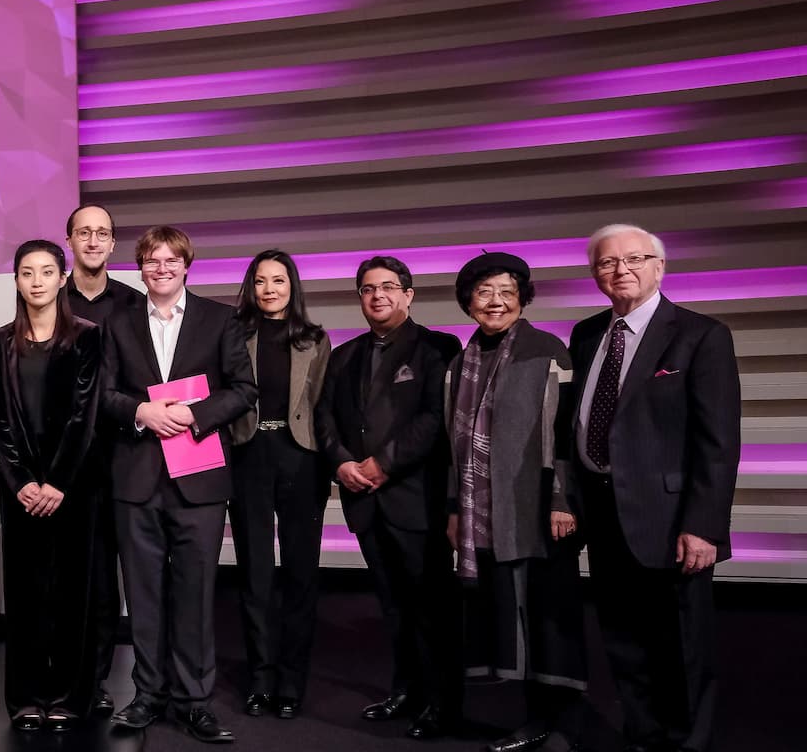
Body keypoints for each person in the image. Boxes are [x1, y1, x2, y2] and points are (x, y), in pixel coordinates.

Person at [572, 224, 739, 752]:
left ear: (660, 267)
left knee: (682, 645)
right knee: (623, 640)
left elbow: (718, 441)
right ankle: (643, 735)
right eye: (606, 263)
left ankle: (688, 742)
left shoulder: (700, 335)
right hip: (603, 513)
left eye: (635, 259)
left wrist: (703, 525)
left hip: (672, 520)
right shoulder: (586, 334)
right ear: (595, 274)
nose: (621, 270)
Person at [98, 226, 255, 745]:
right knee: (142, 594)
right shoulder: (116, 323)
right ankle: (147, 695)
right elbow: (101, 392)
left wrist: (196, 414)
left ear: (187, 265)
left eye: (171, 260)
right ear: (139, 268)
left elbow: (243, 389)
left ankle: (195, 701)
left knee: (195, 592)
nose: (161, 269)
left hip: (199, 478)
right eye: (151, 261)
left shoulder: (219, 319)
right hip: (137, 477)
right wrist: (140, 410)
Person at [443, 252, 588, 752]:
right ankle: (530, 717)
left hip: (539, 509)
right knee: (510, 611)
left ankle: (556, 722)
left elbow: (567, 432)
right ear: (468, 302)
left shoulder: (547, 350)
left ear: (523, 298)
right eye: (484, 292)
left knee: (544, 614)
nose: (496, 301)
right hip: (485, 511)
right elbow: (453, 445)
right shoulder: (462, 361)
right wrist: (454, 510)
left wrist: (562, 499)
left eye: (507, 291)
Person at [314, 255, 462, 740]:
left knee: (430, 608)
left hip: (415, 498)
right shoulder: (344, 354)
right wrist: (340, 463)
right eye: (368, 289)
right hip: (364, 500)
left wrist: (383, 464)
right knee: (393, 605)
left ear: (408, 294)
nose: (378, 296)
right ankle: (405, 690)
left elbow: (433, 420)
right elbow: (326, 419)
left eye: (388, 288)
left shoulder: (438, 347)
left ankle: (441, 702)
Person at [0, 240, 105, 732]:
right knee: (26, 594)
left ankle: (69, 697)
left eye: (47, 271)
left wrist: (56, 481)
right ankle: (26, 698)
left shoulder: (88, 337)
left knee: (72, 596)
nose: (37, 281)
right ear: (16, 280)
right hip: (20, 492)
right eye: (27, 272)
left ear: (63, 278)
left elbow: (85, 416)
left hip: (72, 486)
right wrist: (20, 482)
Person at [224, 249, 332, 721]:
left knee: (301, 575)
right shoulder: (234, 334)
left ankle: (292, 682)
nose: (270, 289)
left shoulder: (314, 338)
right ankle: (261, 679)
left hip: (301, 458)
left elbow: (323, 405)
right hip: (248, 457)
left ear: (293, 287)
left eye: (279, 281)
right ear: (251, 287)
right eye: (262, 281)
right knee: (255, 575)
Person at [61, 204, 142, 714]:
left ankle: (107, 679)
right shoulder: (48, 296)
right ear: (69, 239)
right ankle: (75, 681)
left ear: (113, 244)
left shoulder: (133, 304)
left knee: (117, 579)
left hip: (125, 457)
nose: (93, 241)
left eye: (103, 234)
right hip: (65, 463)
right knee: (74, 576)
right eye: (84, 232)